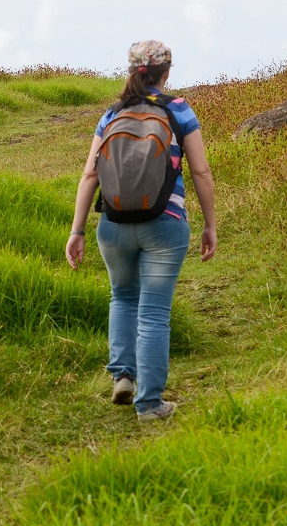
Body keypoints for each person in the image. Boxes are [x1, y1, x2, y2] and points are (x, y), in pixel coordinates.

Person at [65, 40, 217, 422]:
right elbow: (200, 171)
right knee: (153, 312)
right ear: (166, 72)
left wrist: (77, 230)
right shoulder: (178, 110)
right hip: (165, 224)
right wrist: (210, 225)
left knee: (122, 297)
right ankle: (149, 405)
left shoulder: (111, 114)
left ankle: (123, 376)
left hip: (113, 224)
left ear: (132, 71)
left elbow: (89, 174)